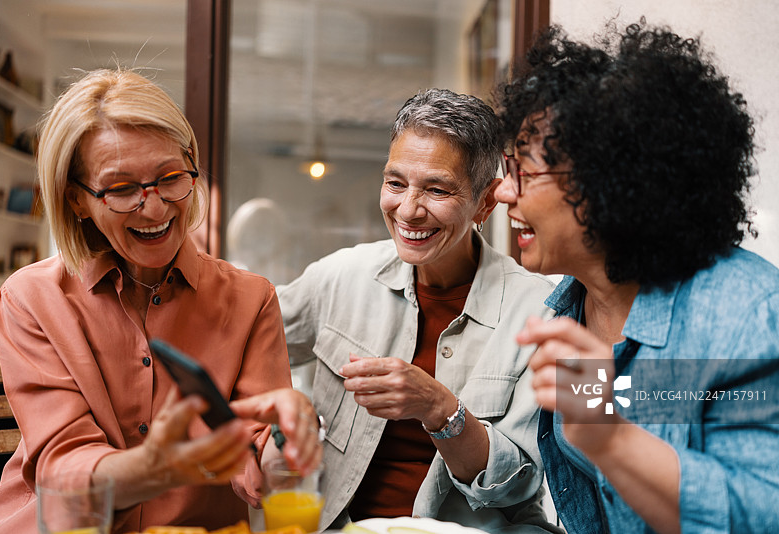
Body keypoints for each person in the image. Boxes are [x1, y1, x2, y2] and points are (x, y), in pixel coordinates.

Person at [0, 68, 322, 533]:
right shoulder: (31, 299)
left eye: (170, 176)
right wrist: (156, 469)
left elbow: (258, 455)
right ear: (77, 200)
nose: (156, 208)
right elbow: (62, 469)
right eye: (121, 189)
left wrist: (286, 445)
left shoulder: (251, 299)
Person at [494, 21, 779, 534]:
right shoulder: (566, 307)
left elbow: (763, 515)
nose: (501, 193)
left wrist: (611, 438)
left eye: (525, 172)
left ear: (611, 182)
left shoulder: (749, 315)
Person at [278, 88, 562, 533]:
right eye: (395, 183)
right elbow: (246, 341)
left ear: (486, 201)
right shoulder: (340, 276)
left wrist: (439, 409)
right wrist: (279, 409)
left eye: (437, 189)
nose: (408, 210)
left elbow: (517, 487)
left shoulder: (540, 312)